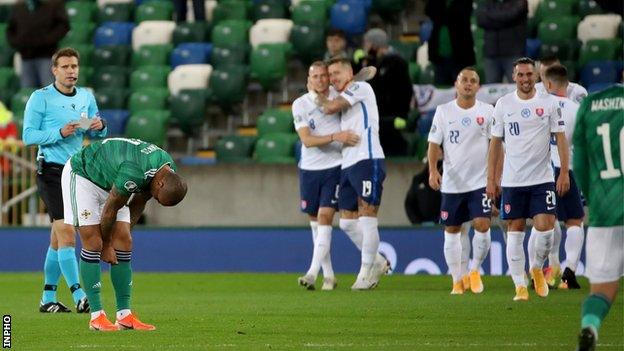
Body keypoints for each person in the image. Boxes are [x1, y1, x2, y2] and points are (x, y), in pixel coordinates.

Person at [61, 138, 188, 331]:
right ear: (161, 184)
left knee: (125, 241)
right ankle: (96, 316)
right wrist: (107, 245)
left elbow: (139, 202)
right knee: (94, 243)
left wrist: (121, 235)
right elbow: (111, 208)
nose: (156, 199)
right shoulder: (135, 171)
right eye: (159, 198)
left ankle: (124, 315)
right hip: (83, 177)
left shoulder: (166, 167)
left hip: (112, 181)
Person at [23, 47, 106, 313]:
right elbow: (28, 136)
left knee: (58, 240)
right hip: (50, 171)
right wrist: (58, 132)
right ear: (54, 70)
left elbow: (93, 132)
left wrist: (99, 127)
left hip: (76, 171)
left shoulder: (85, 97)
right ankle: (80, 294)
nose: (72, 71)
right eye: (66, 67)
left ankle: (47, 298)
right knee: (68, 233)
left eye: (75, 67)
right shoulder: (41, 98)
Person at [486, 57, 570, 301]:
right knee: (515, 229)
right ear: (514, 77)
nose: (525, 79)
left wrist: (563, 171)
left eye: (528, 75)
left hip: (542, 178)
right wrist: (491, 179)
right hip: (513, 180)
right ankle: (519, 285)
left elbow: (560, 138)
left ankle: (536, 267)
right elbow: (495, 144)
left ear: (536, 76)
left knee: (546, 228)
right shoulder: (503, 105)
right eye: (520, 75)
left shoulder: (549, 103)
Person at [316, 58, 389, 290]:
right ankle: (378, 261)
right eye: (330, 74)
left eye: (336, 73)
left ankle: (365, 273)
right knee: (347, 223)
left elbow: (330, 107)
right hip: (347, 163)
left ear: (349, 73)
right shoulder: (347, 91)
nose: (333, 78)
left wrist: (318, 92)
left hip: (368, 158)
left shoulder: (361, 87)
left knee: (367, 217)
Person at [293, 61, 360, 291]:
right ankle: (329, 275)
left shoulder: (337, 98)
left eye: (324, 76)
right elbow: (307, 140)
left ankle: (312, 273)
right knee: (316, 224)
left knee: (324, 217)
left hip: (335, 167)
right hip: (309, 170)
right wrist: (335, 136)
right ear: (308, 81)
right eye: (316, 77)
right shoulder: (300, 104)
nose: (321, 80)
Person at [427, 67, 494, 294]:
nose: (468, 84)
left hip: (480, 181)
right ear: (456, 84)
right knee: (453, 229)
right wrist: (433, 170)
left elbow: (497, 147)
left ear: (478, 86)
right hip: (453, 183)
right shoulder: (444, 111)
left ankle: (474, 269)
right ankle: (457, 279)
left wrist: (496, 177)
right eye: (464, 80)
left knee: (482, 225)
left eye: (472, 80)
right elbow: (434, 144)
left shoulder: (487, 111)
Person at [573, 84, 623, 351]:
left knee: (602, 289)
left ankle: (590, 326)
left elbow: (579, 164)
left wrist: (596, 199)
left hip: (605, 211)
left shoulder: (590, 105)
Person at [537, 64, 585, 290]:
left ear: (547, 84)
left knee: (547, 220)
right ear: (567, 84)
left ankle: (548, 268)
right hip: (569, 169)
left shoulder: (541, 107)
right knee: (574, 220)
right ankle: (569, 271)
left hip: (543, 170)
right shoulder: (577, 109)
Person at [361, 28, 413, 157]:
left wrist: (401, 115)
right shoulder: (374, 62)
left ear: (374, 45)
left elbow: (404, 91)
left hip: (393, 117)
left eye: (367, 44)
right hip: (379, 116)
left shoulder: (396, 62)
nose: (365, 47)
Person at [6, 0, 69, 88]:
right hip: (25, 57)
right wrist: (18, 43)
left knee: (49, 89)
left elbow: (63, 26)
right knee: (27, 92)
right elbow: (10, 29)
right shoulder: (19, 8)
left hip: (46, 56)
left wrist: (46, 40)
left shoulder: (53, 5)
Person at [424, 0, 476, 85]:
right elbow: (429, 11)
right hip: (439, 56)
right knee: (440, 90)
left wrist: (444, 16)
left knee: (461, 89)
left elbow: (458, 16)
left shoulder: (464, 2)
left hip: (460, 56)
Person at [475, 0, 528, 84]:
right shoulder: (485, 2)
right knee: (491, 91)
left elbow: (512, 15)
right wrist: (503, 19)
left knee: (518, 89)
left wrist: (489, 15)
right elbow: (480, 19)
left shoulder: (519, 1)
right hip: (491, 53)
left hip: (513, 53)